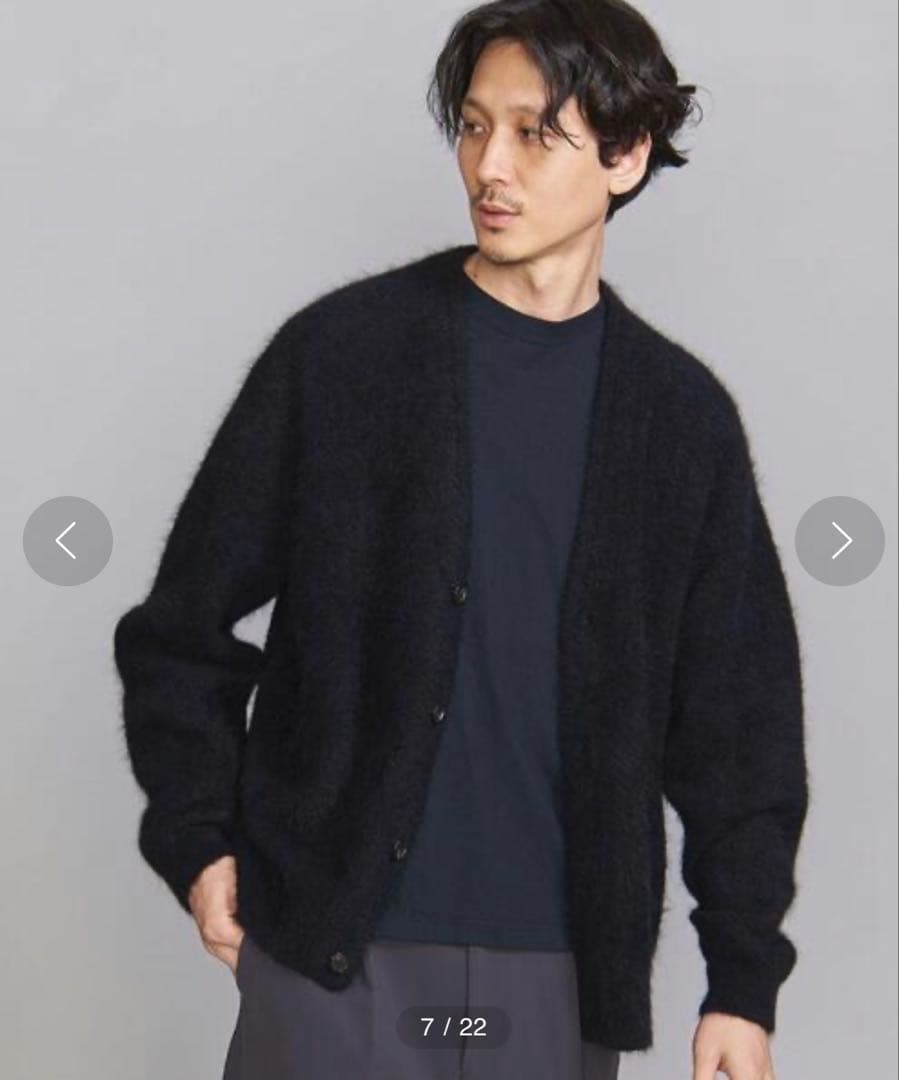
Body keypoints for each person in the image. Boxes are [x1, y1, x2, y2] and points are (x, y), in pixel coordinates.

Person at [113, 2, 809, 1078]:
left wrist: (741, 985)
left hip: (558, 980)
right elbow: (179, 632)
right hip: (332, 959)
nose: (490, 166)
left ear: (624, 155)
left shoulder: (678, 422)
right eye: (475, 126)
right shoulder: (342, 359)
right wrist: (199, 841)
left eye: (535, 134)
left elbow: (740, 728)